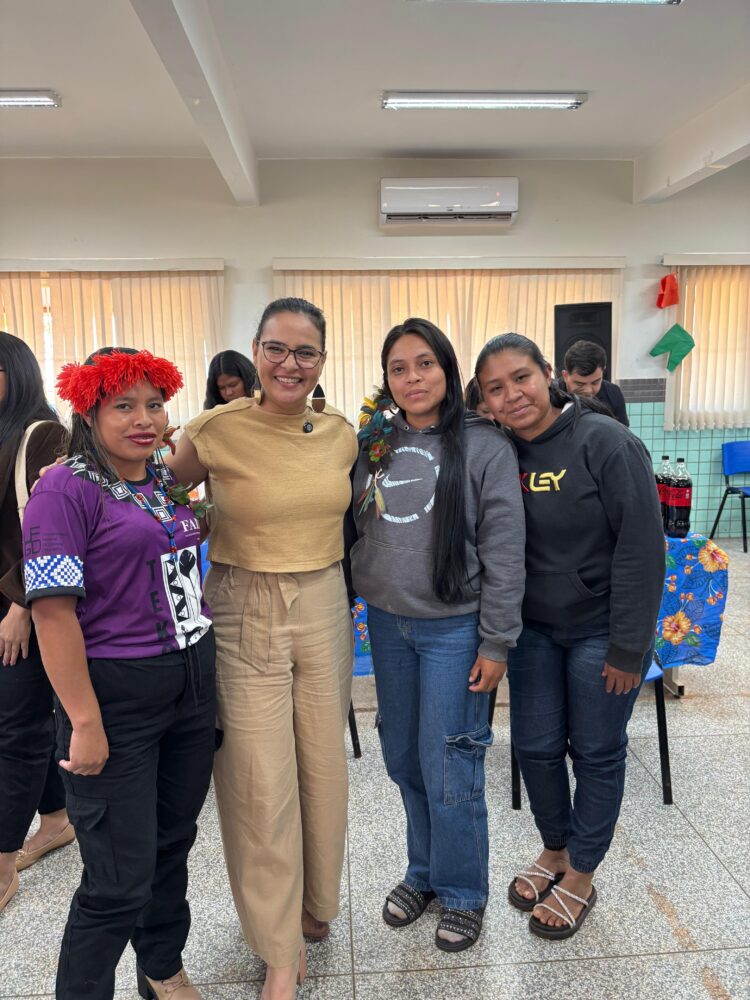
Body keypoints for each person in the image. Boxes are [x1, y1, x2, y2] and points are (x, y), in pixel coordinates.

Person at [169, 297, 357, 1000]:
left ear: (322, 362)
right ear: (254, 352)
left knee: (321, 763)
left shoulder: (340, 432)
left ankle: (316, 904)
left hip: (324, 603)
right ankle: (278, 950)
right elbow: (153, 495)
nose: (289, 364)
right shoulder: (214, 430)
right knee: (257, 779)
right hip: (244, 603)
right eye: (276, 349)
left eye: (305, 352)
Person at [24, 347, 216, 1000]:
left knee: (170, 847)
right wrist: (83, 720)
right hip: (115, 699)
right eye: (123, 406)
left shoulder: (159, 479)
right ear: (89, 410)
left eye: (155, 405)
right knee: (116, 879)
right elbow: (52, 615)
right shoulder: (63, 488)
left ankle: (161, 969)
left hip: (190, 686)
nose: (144, 419)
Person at [475, 333, 664, 940]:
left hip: (601, 631)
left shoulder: (605, 442)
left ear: (547, 375)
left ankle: (581, 871)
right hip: (532, 629)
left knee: (596, 751)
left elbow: (642, 548)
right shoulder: (500, 450)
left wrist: (629, 647)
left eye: (521, 378)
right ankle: (553, 849)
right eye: (495, 388)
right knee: (533, 746)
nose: (512, 395)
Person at [351, 319, 526, 952]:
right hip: (389, 627)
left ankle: (462, 891)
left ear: (448, 371)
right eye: (399, 368)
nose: (413, 378)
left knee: (450, 761)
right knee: (402, 757)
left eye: (424, 364)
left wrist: (496, 642)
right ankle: (422, 873)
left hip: (456, 631)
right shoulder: (375, 439)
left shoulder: (484, 444)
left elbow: (506, 550)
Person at [0, 331, 73, 915]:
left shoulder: (41, 434)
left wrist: (22, 605)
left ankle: (1, 862)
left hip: (21, 605)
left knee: (16, 729)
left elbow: (48, 530)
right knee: (19, 722)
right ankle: (54, 818)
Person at [559, 339, 629, 426]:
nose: (588, 390)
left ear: (603, 372)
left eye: (595, 382)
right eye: (580, 384)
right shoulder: (552, 395)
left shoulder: (613, 393)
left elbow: (623, 432)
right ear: (565, 376)